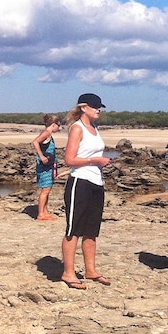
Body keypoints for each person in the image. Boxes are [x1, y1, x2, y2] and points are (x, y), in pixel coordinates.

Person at [60, 94, 112, 289]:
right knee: (74, 229)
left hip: (96, 182)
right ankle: (68, 272)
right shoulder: (77, 128)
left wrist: (99, 163)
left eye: (100, 107)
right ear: (83, 107)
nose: (99, 109)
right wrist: (95, 161)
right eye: (95, 106)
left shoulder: (95, 128)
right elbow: (69, 160)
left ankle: (91, 270)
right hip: (79, 183)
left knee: (91, 230)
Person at [31, 113, 62, 221]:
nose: (59, 128)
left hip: (49, 165)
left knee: (48, 189)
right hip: (45, 166)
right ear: (54, 124)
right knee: (45, 189)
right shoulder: (46, 133)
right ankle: (41, 214)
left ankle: (45, 211)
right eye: (59, 125)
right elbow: (35, 142)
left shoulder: (48, 134)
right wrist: (41, 156)